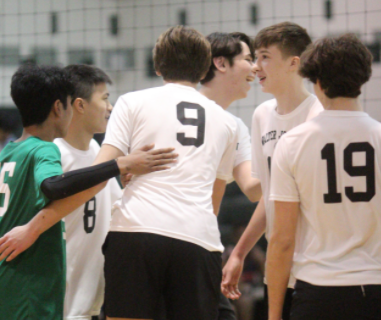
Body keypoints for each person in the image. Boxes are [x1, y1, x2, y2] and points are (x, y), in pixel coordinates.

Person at [0, 65, 176, 320]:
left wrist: (122, 175)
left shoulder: (13, 150)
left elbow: (6, 202)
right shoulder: (48, 151)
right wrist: (120, 164)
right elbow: (54, 185)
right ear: (64, 107)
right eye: (104, 98)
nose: (110, 107)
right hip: (31, 288)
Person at [96, 25, 237, 320]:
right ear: (203, 72)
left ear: (158, 67)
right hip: (197, 238)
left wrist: (123, 169)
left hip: (136, 231)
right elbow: (215, 198)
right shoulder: (227, 122)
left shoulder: (131, 101)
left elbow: (101, 168)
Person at [267, 33, 381, 320]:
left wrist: (273, 314)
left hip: (319, 291)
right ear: (363, 78)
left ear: (315, 81)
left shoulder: (293, 143)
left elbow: (281, 239)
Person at [221, 22, 323, 320]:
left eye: (265, 57)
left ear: (294, 63)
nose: (256, 66)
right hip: (279, 268)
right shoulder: (262, 115)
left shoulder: (317, 116)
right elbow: (270, 195)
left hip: (313, 265)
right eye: (255, 57)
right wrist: (239, 253)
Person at [199, 31, 261, 320]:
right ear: (221, 64)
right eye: (249, 59)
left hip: (203, 246)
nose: (256, 68)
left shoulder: (236, 125)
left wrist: (291, 159)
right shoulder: (173, 110)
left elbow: (252, 188)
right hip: (159, 240)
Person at [55, 64, 122, 320]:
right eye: (104, 98)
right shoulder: (54, 154)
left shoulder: (96, 150)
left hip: (88, 301)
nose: (110, 107)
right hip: (59, 300)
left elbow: (118, 206)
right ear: (80, 106)